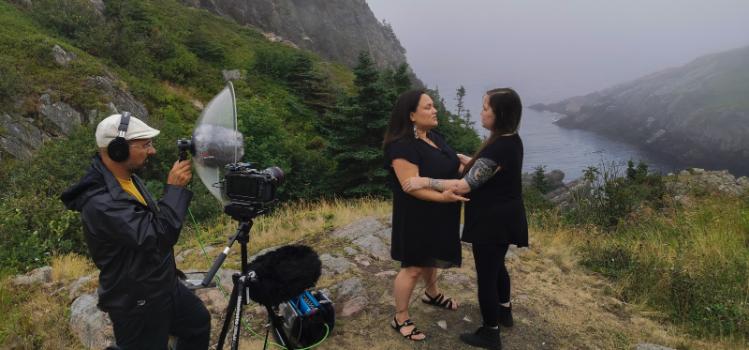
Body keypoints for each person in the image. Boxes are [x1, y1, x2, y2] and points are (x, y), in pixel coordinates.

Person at [61, 113, 210, 350]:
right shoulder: (101, 203)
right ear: (117, 150)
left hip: (161, 285)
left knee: (197, 323)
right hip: (136, 300)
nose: (152, 151)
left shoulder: (126, 179)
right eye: (145, 144)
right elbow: (157, 236)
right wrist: (174, 191)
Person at [404, 88, 528, 350]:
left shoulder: (499, 147)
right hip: (507, 218)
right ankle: (504, 312)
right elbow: (493, 170)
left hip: (492, 222)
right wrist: (472, 161)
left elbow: (463, 186)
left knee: (486, 276)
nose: (481, 112)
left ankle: (490, 332)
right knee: (498, 267)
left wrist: (422, 181)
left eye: (486, 108)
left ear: (500, 114)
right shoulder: (510, 139)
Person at [382, 90, 469, 342]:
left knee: (432, 256)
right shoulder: (401, 147)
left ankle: (432, 294)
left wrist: (474, 166)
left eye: (433, 106)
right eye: (428, 107)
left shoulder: (435, 137)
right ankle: (400, 317)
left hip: (441, 213)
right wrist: (444, 195)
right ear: (411, 115)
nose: (435, 110)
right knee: (413, 266)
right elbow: (412, 186)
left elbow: (452, 164)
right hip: (417, 215)